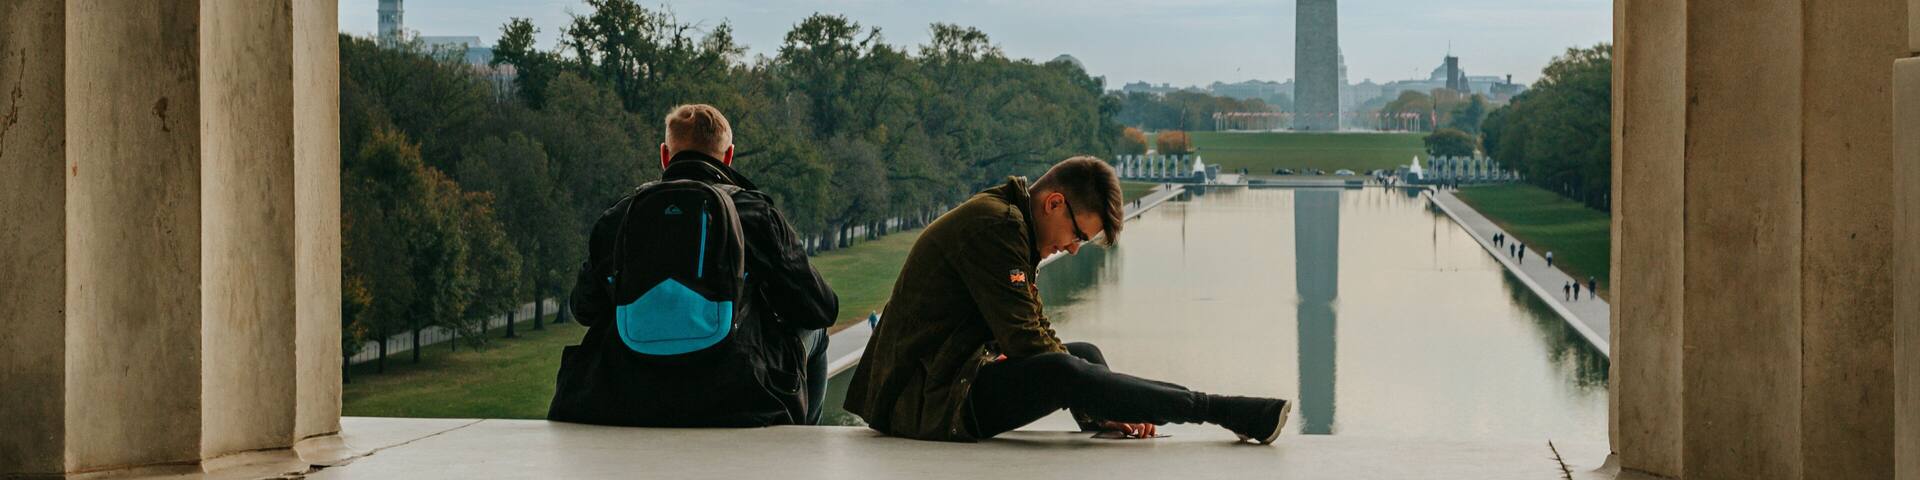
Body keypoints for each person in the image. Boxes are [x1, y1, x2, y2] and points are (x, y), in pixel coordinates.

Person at [845, 157, 1293, 444]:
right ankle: (1218, 409)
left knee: (1084, 357)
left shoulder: (1012, 224)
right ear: (1054, 203)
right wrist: (1095, 394)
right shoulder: (997, 227)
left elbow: (1037, 330)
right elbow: (1026, 343)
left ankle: (1125, 410)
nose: (1075, 248)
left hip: (943, 381)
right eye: (1078, 234)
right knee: (1065, 368)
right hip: (923, 403)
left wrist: (1096, 400)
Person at [550, 104, 840, 427]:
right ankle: (805, 446)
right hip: (737, 390)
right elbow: (821, 309)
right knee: (816, 330)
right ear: (728, 157)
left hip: (630, 392)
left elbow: (584, 308)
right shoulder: (755, 215)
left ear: (664, 155)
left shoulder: (619, 220)